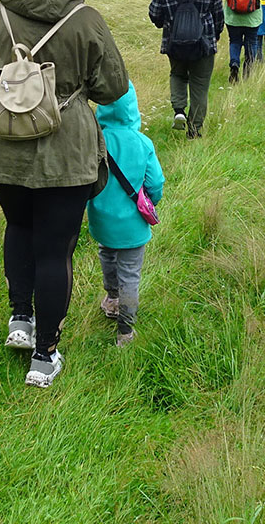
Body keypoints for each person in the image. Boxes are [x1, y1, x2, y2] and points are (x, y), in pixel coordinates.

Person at [0, 0, 129, 389]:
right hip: (65, 152)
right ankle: (45, 357)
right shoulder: (85, 19)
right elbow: (113, 87)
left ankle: (20, 319)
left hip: (2, 145)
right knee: (55, 249)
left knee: (18, 226)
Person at [87, 81, 164, 347]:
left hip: (101, 220)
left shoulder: (94, 140)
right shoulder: (143, 142)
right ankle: (125, 332)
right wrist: (149, 201)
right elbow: (155, 183)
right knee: (130, 274)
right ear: (133, 109)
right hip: (132, 224)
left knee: (107, 255)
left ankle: (111, 300)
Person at [148, 0, 224, 139]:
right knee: (200, 85)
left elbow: (154, 13)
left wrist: (165, 23)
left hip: (174, 42)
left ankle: (179, 110)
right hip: (204, 43)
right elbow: (218, 13)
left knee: (178, 75)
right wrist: (215, 35)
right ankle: (195, 130)